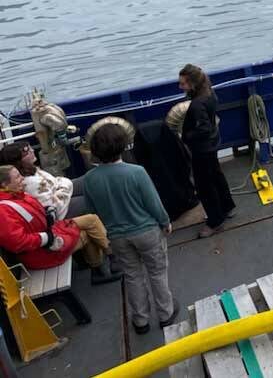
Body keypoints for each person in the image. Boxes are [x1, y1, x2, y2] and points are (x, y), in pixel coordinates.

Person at [83, 123, 178, 334]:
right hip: (146, 232)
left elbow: (92, 213)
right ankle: (165, 314)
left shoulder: (89, 179)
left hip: (117, 237)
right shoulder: (136, 172)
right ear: (123, 146)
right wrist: (165, 222)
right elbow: (153, 203)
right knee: (157, 272)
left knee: (133, 276)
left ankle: (141, 321)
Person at [0, 165, 121, 284]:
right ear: (5, 185)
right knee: (87, 234)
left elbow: (32, 215)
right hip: (42, 253)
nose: (22, 178)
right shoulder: (3, 211)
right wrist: (46, 237)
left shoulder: (17, 196)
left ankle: (110, 255)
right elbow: (18, 242)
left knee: (91, 219)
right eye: (17, 177)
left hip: (51, 232)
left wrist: (48, 211)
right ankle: (99, 271)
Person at [178, 64, 235, 237]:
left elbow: (203, 128)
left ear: (193, 84)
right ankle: (227, 206)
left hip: (202, 149)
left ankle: (215, 221)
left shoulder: (196, 104)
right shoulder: (209, 93)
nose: (180, 87)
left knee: (204, 185)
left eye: (183, 84)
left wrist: (186, 136)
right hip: (213, 144)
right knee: (216, 174)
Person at [0, 142, 85, 219]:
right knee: (89, 198)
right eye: (27, 152)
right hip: (63, 210)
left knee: (87, 180)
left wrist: (63, 185)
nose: (32, 151)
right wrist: (66, 183)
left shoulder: (32, 169)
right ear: (18, 161)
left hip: (61, 191)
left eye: (30, 148)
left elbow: (55, 183)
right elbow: (54, 209)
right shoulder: (30, 183)